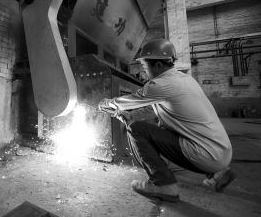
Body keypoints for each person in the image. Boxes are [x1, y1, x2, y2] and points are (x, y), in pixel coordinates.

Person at [98, 39, 235, 202]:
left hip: (206, 155)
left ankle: (163, 184)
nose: (144, 70)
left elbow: (130, 100)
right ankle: (219, 173)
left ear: (158, 65)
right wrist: (130, 115)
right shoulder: (185, 79)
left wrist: (105, 104)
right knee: (153, 126)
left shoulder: (160, 84)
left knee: (137, 129)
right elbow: (156, 107)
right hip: (222, 152)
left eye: (144, 66)